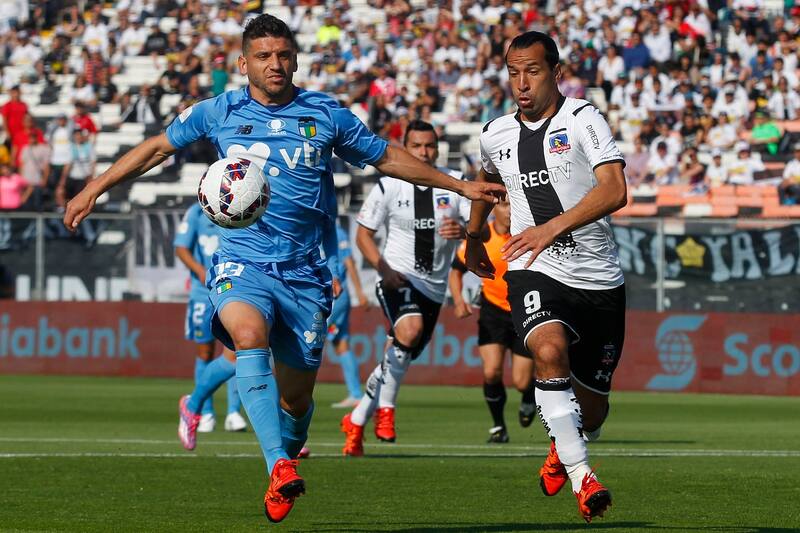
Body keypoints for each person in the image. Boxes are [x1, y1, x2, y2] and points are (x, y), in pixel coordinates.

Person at [62, 14, 502, 524]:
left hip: (306, 274)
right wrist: (94, 188)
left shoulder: (326, 114)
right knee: (249, 336)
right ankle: (277, 465)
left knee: (297, 401)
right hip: (241, 262)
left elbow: (386, 157)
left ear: (295, 59)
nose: (275, 63)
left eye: (283, 55)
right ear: (243, 64)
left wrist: (460, 185)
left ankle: (285, 456)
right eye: (264, 56)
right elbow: (157, 149)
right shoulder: (219, 111)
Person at [465, 31, 627, 523]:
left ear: (555, 73)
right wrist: (473, 236)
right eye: (513, 73)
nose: (522, 83)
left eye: (532, 71)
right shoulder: (495, 133)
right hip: (533, 268)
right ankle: (583, 476)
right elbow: (487, 180)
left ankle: (565, 444)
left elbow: (615, 189)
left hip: (598, 278)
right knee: (548, 351)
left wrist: (551, 227)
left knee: (593, 413)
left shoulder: (582, 118)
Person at [340, 120, 471, 456]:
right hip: (397, 276)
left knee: (397, 355)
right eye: (417, 146)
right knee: (409, 331)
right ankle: (386, 411)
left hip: (434, 289)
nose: (424, 152)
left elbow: (481, 230)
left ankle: (356, 420)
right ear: (405, 148)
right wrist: (383, 269)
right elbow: (363, 235)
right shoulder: (389, 186)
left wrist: (466, 232)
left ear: (437, 148)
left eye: (430, 146)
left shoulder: (455, 183)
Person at [449, 198, 535, 444]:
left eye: (513, 204)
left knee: (521, 381)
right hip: (493, 311)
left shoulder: (526, 233)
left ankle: (529, 397)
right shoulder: (482, 235)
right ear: (494, 208)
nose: (510, 211)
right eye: (505, 205)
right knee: (491, 371)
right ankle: (499, 427)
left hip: (524, 310)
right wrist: (458, 300)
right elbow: (456, 270)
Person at [174, 203, 247, 433]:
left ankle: (233, 412)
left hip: (234, 289)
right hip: (202, 293)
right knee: (204, 351)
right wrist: (199, 270)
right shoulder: (196, 211)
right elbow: (181, 248)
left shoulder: (244, 204)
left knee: (237, 348)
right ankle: (205, 412)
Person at [327, 221, 369, 409]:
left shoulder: (336, 232)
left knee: (309, 335)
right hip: (336, 297)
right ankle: (356, 394)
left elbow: (349, 262)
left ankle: (289, 391)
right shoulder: (319, 227)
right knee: (341, 343)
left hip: (335, 297)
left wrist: (359, 292)